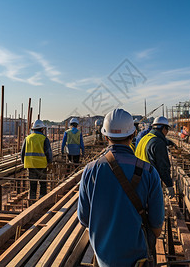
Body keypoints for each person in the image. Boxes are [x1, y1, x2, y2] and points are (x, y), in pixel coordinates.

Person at [78, 109, 165, 267]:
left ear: (105, 137)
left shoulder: (90, 171)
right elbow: (157, 227)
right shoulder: (149, 172)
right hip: (138, 260)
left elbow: (84, 219)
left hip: (103, 259)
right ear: (133, 136)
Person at [135, 116, 176, 198]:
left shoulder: (145, 138)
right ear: (163, 128)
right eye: (167, 129)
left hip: (137, 180)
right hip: (151, 183)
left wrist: (170, 143)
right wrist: (169, 185)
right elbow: (163, 167)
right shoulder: (158, 143)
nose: (167, 132)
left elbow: (155, 142)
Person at [21, 120, 53, 199]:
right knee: (43, 184)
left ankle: (31, 201)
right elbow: (48, 152)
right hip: (42, 165)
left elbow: (22, 152)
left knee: (32, 185)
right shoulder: (44, 138)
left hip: (30, 165)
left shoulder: (27, 138)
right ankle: (42, 201)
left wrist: (24, 163)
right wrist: (50, 163)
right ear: (42, 129)